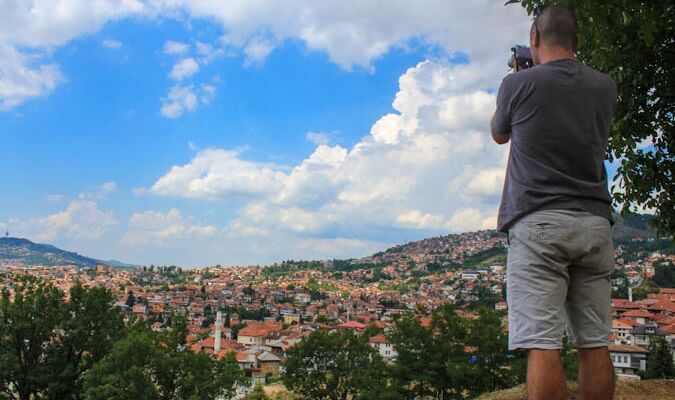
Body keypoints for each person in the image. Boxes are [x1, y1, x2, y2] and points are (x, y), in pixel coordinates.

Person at [490, 5, 617, 400]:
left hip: (539, 220)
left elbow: (499, 134)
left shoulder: (519, 85)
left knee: (542, 342)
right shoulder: (605, 86)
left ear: (533, 40)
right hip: (595, 221)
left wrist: (520, 76)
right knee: (594, 341)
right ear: (576, 42)